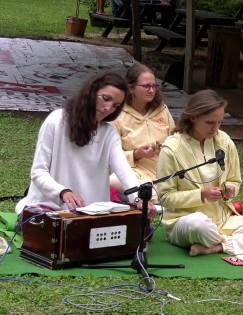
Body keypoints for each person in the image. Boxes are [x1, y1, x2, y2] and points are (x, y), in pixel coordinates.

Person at [156, 89, 243, 256]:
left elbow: (234, 180)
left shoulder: (224, 141)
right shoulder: (172, 148)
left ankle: (217, 246)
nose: (216, 128)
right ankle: (235, 242)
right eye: (210, 122)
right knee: (199, 224)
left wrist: (230, 190)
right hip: (186, 222)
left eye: (220, 122)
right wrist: (201, 195)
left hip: (225, 221)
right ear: (193, 117)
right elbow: (166, 198)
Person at [15, 72, 153, 217]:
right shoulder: (56, 121)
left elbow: (124, 171)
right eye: (106, 99)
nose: (108, 108)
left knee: (138, 231)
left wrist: (138, 198)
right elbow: (38, 172)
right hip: (49, 206)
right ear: (91, 92)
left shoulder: (109, 133)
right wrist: (62, 192)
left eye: (115, 105)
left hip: (92, 211)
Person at [109, 64, 175, 201]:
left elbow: (176, 139)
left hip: (165, 169)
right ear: (131, 88)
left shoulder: (162, 109)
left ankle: (158, 196)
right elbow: (109, 156)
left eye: (154, 86)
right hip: (136, 172)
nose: (151, 90)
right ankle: (154, 197)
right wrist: (136, 154)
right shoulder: (118, 115)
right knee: (113, 180)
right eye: (146, 86)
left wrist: (168, 144)